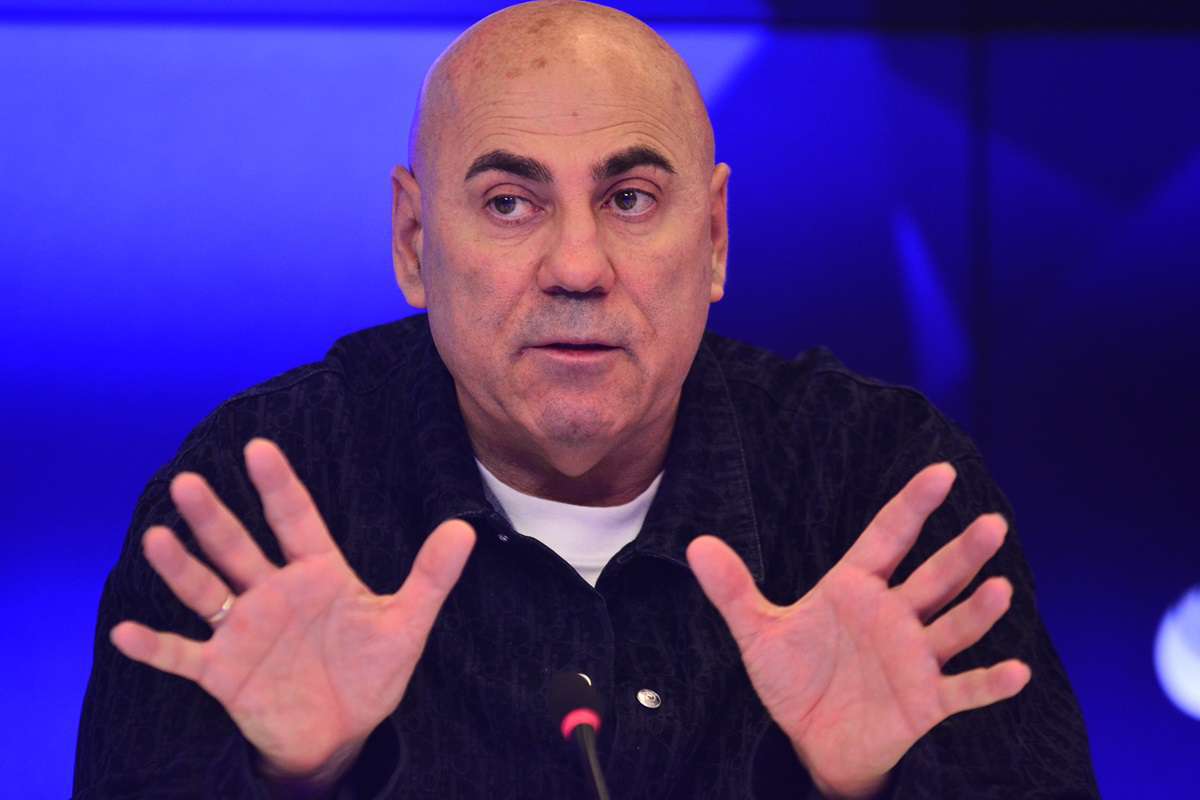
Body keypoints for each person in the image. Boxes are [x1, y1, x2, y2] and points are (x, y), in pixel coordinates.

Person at [73, 1, 1099, 797]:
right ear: (414, 242)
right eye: (509, 202)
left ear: (715, 238)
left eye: (630, 199)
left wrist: (861, 791)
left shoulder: (879, 486)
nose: (577, 265)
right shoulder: (263, 494)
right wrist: (293, 780)